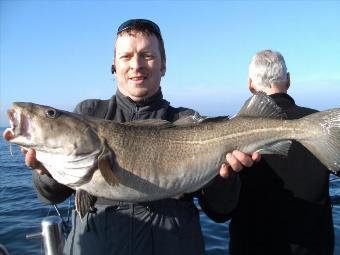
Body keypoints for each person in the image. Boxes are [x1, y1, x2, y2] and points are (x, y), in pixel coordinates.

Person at [21, 19, 259, 255]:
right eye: (126, 56)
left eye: (147, 55)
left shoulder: (186, 121)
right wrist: (45, 171)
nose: (136, 65)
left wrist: (224, 179)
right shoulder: (88, 113)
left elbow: (220, 212)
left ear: (163, 65)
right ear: (114, 65)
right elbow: (49, 195)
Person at [224, 50, 334, 255]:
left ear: (250, 84)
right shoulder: (323, 124)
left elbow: (220, 209)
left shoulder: (226, 132)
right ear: (289, 80)